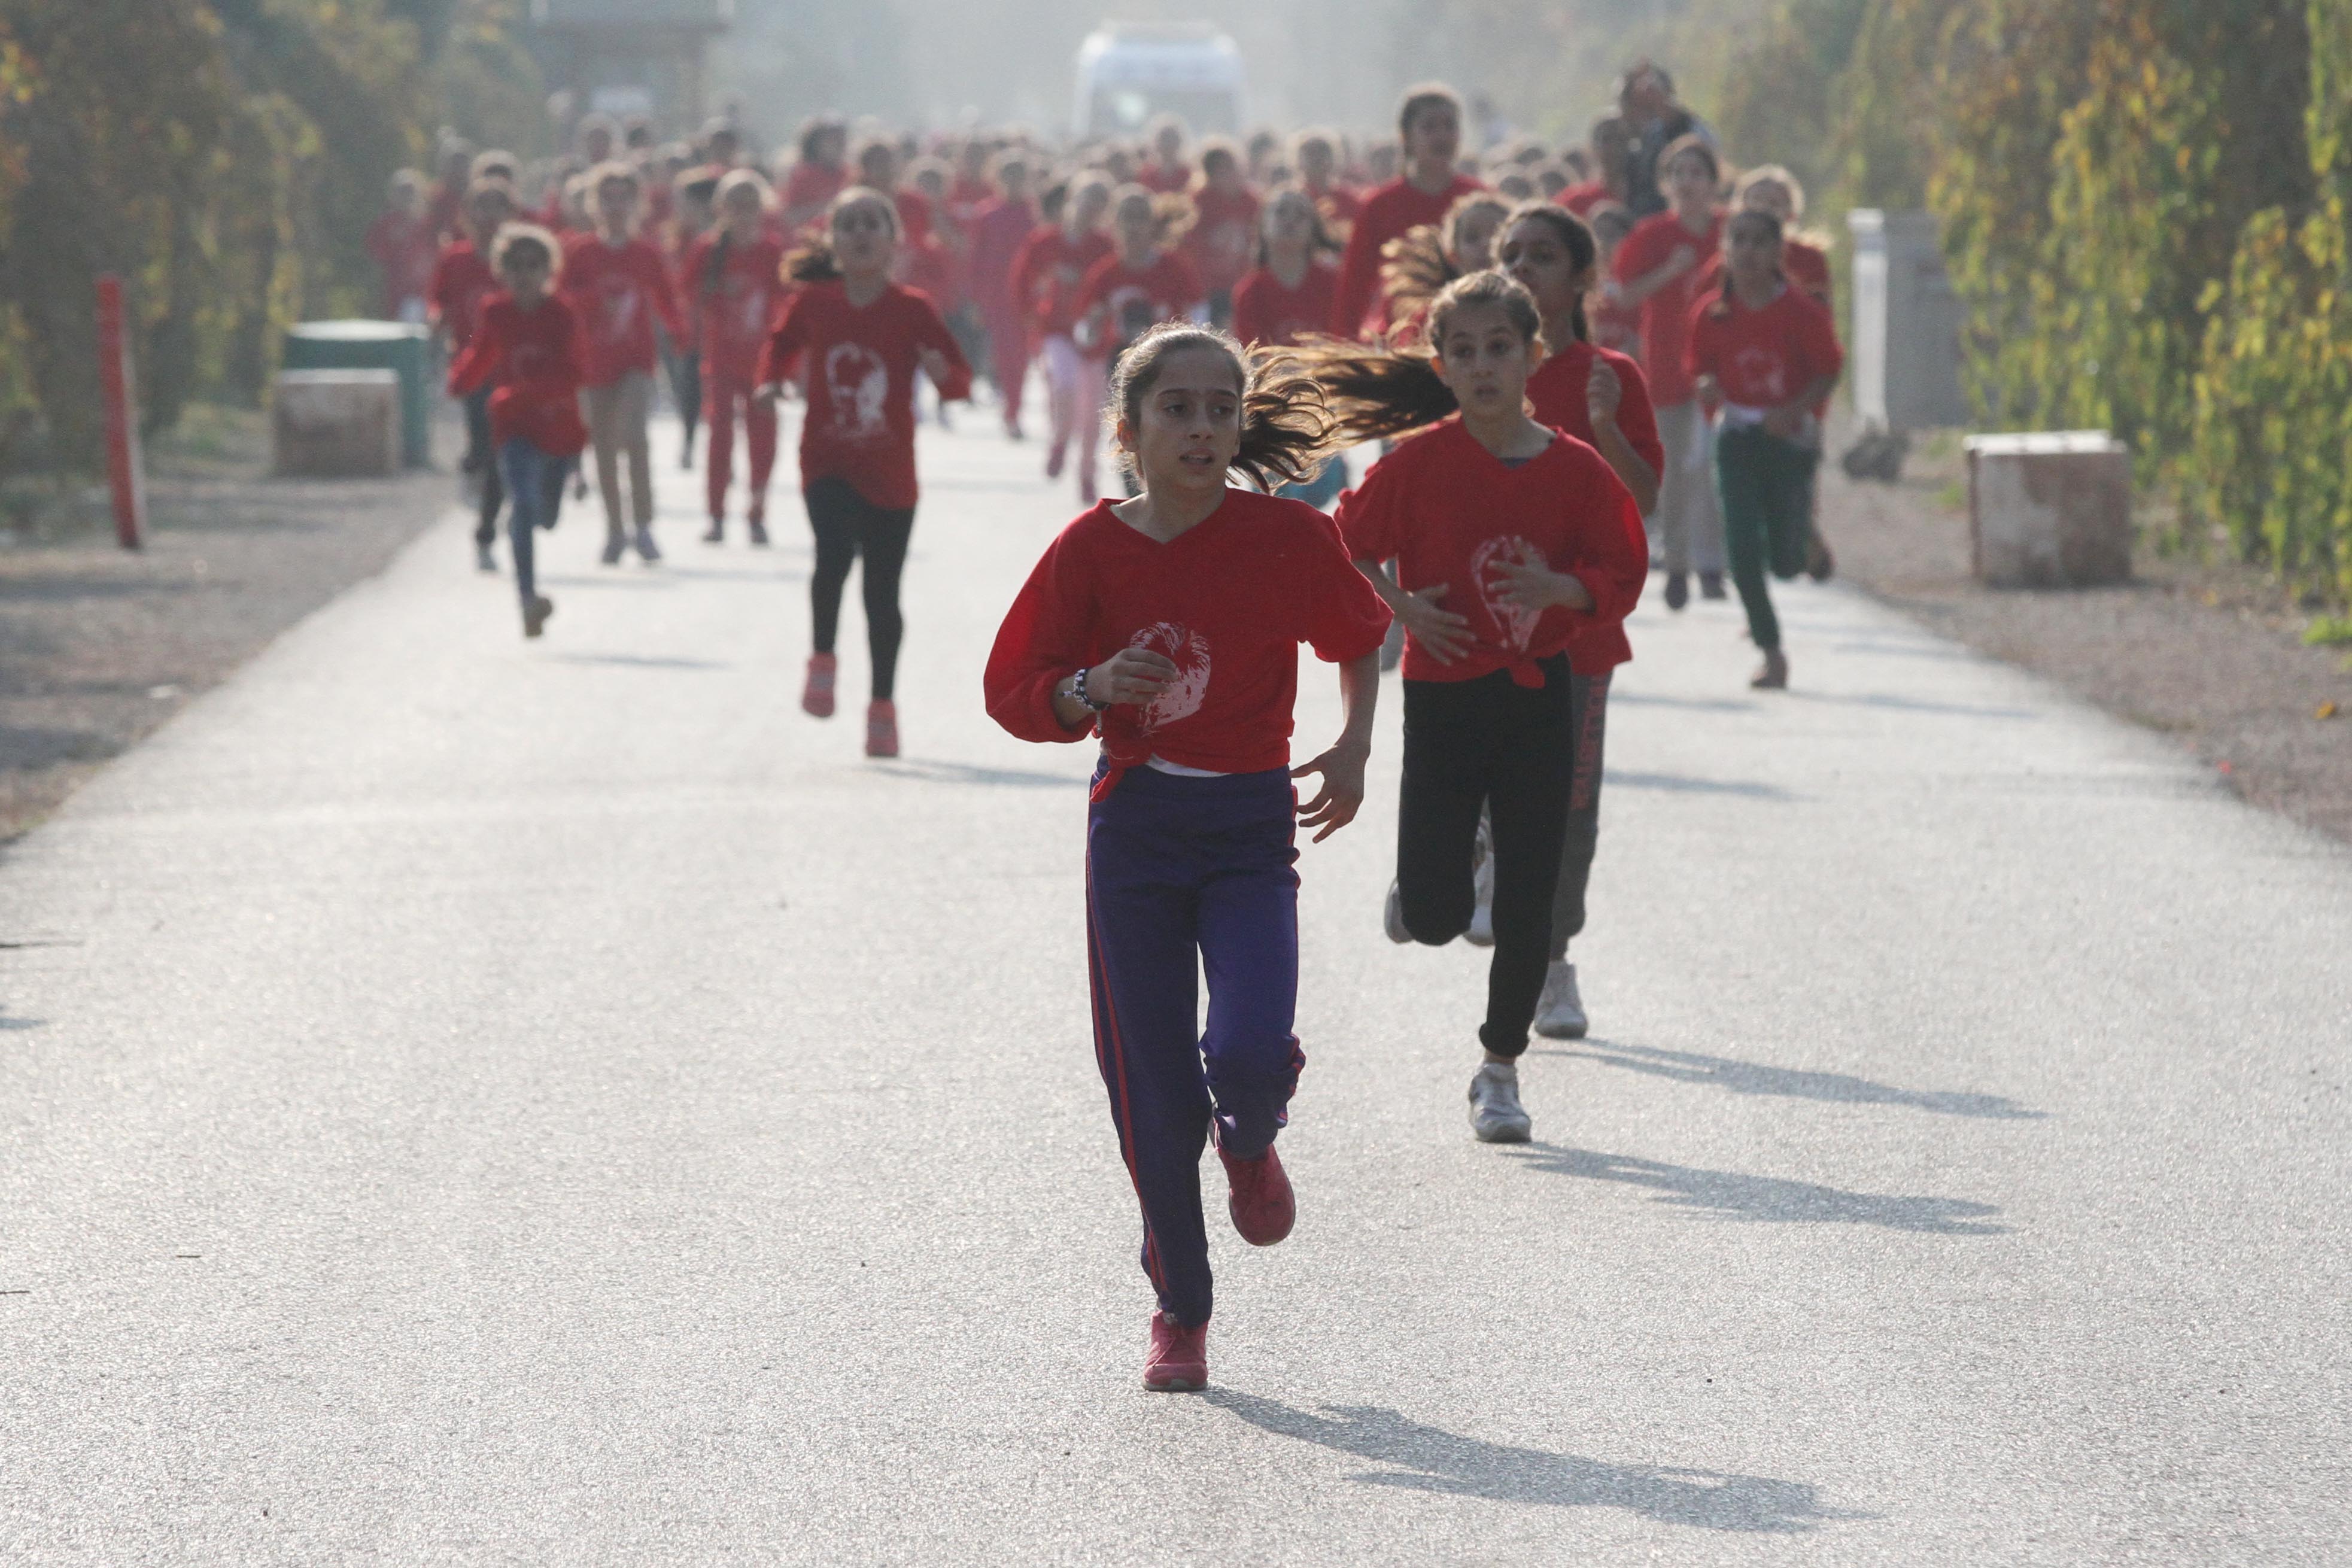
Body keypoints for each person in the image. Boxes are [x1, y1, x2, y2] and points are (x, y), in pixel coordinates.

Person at [981, 322, 1390, 1393]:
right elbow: (1014, 686)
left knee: (1249, 1049)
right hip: (1138, 833)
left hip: (1250, 828)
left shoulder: (1291, 539)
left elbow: (1359, 635)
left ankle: (1251, 1137)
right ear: (1129, 429)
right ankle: (1182, 1307)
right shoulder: (1091, 550)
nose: (1203, 428)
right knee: (1152, 1094)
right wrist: (1085, 690)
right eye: (1178, 408)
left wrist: (1352, 747)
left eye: (1221, 408)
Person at [1305, 271, 1646, 1142]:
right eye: (1463, 352)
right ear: (1441, 366)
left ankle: (1499, 1069)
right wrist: (1400, 605)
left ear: (1531, 356)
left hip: (1539, 696)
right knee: (1433, 916)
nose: (1483, 366)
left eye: (1500, 348)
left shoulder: (1574, 470)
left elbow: (1623, 566)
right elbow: (1341, 541)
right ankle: (1439, 872)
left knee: (1526, 901)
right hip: (1444, 691)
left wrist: (1561, 585)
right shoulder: (1419, 463)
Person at [1496, 201, 1663, 1040]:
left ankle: (1554, 962)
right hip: (1486, 627)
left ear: (1578, 278)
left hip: (1581, 634)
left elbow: (1645, 499)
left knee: (1568, 804)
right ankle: (1469, 861)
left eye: (1543, 256)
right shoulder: (1479, 369)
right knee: (1484, 781)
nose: (1525, 269)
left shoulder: (1611, 377)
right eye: (1511, 255)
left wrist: (1601, 427)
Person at [754, 187, 974, 759]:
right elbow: (781, 344)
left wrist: (940, 373)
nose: (859, 233)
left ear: (894, 240)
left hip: (891, 471)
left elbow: (960, 382)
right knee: (830, 554)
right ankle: (822, 657)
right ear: (832, 241)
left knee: (882, 593)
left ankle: (882, 705)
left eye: (872, 223)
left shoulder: (913, 308)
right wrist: (772, 380)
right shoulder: (815, 302)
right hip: (826, 459)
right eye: (847, 224)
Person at [1688, 209, 1844, 691]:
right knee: (1741, 547)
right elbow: (1699, 366)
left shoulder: (1802, 312)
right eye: (1740, 241)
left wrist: (1794, 410)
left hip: (1787, 440)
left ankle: (1805, 541)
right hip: (1736, 435)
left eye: (1760, 242)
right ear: (1725, 250)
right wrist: (1709, 385)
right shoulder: (1712, 312)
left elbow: (1829, 370)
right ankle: (1771, 652)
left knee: (1785, 562)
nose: (1749, 251)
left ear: (1779, 252)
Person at [447, 224, 587, 639]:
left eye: (533, 265)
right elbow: (482, 352)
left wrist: (533, 392)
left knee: (546, 515)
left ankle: (525, 534)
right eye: (515, 266)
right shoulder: (496, 312)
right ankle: (528, 600)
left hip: (557, 429)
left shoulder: (561, 316)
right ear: (502, 272)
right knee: (523, 503)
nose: (524, 274)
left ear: (549, 271)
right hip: (515, 427)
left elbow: (573, 371)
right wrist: (461, 380)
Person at [1608, 133, 1727, 608]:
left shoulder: (1729, 233)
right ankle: (1678, 564)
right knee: (1675, 470)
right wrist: (1668, 273)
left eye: (1696, 173)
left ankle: (1713, 564)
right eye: (1678, 174)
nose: (1687, 182)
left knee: (1710, 467)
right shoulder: (1653, 235)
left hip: (1719, 369)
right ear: (1665, 183)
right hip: (1664, 364)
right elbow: (1622, 296)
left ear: (1714, 182)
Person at [560, 161, 686, 566]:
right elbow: (562, 302)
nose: (616, 206)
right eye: (607, 198)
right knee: (604, 447)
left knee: (635, 437)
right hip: (592, 362)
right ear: (594, 204)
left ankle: (644, 526)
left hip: (635, 360)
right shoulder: (580, 253)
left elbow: (666, 298)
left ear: (637, 203)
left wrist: (680, 334)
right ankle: (615, 529)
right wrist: (595, 298)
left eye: (624, 198)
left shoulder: (644, 253)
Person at [1735, 164, 1839, 582]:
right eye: (1757, 201)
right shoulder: (1731, 260)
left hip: (1798, 383)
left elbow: (1820, 319)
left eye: (1776, 203)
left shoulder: (1809, 260)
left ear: (1791, 214)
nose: (1767, 209)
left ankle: (1804, 533)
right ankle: (1760, 566)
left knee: (1799, 469)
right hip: (1747, 381)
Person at [1072, 186, 1208, 492]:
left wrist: (1196, 341)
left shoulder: (1174, 266)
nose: (1134, 226)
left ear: (1153, 224)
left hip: (1171, 358)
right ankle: (1135, 488)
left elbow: (1200, 309)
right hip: (1123, 361)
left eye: (1141, 218)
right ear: (1114, 225)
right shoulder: (1104, 274)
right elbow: (1083, 331)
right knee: (1133, 428)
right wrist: (1092, 327)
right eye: (1127, 218)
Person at [1330, 85, 1485, 339]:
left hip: (1476, 338)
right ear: (1406, 137)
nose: (1442, 136)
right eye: (1429, 127)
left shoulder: (1479, 200)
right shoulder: (1380, 205)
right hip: (1401, 340)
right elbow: (1353, 288)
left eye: (1450, 125)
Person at [686, 170, 786, 546]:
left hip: (764, 364)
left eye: (751, 205)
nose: (744, 213)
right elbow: (690, 294)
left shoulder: (772, 251)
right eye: (736, 205)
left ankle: (757, 511)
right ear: (721, 209)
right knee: (720, 437)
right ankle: (716, 514)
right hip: (722, 360)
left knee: (764, 439)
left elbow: (788, 302)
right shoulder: (709, 251)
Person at [1231, 187, 1345, 505]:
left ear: (1314, 230)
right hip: (1272, 409)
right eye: (1281, 213)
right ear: (1263, 227)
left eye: (1300, 215)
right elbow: (1252, 358)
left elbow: (1342, 345)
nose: (1290, 221)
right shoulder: (1250, 292)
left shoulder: (1333, 282)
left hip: (1324, 406)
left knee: (1321, 497)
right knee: (1273, 501)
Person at [429, 179, 518, 573]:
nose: (489, 216)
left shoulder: (519, 259)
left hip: (514, 368)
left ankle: (487, 530)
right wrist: (436, 320)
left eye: (497, 207)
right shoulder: (456, 258)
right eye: (481, 207)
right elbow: (439, 298)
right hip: (472, 366)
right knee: (484, 444)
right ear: (468, 214)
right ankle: (472, 470)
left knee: (505, 450)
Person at [1013, 174, 1117, 505]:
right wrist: (1030, 312)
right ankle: (1059, 440)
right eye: (1085, 203)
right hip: (1056, 329)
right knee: (1064, 385)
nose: (1089, 212)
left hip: (1094, 335)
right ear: (1071, 201)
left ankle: (1087, 474)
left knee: (1092, 414)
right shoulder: (1045, 241)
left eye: (1098, 207)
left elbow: (1115, 282)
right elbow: (1021, 279)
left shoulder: (1105, 246)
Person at [969, 151, 1043, 440]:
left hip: (1026, 296)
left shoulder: (1033, 214)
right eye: (1008, 178)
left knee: (1022, 356)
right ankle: (1009, 408)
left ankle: (1014, 410)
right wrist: (976, 299)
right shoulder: (987, 213)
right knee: (1004, 354)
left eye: (1019, 178)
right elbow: (976, 257)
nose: (1013, 184)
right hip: (996, 295)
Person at [664, 169, 721, 471]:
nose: (678, 209)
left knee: (715, 395)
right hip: (688, 327)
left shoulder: (722, 240)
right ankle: (689, 441)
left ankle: (718, 450)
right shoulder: (681, 238)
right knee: (688, 390)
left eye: (684, 202)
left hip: (716, 331)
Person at [1615, 62, 1711, 217]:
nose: (1639, 108)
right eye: (1631, 101)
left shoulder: (1691, 131)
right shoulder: (1630, 148)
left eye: (1648, 99)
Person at [1183, 139, 1260, 328]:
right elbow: (1189, 244)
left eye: (1231, 167)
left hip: (1243, 281)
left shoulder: (1251, 201)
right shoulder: (1200, 202)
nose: (1228, 175)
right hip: (1209, 287)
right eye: (1220, 170)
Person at [366, 171, 439, 324]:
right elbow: (376, 253)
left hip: (425, 291)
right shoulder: (387, 223)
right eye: (402, 191)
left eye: (411, 190)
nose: (408, 196)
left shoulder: (429, 222)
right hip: (397, 292)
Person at [782, 118, 850, 234]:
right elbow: (789, 217)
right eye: (833, 140)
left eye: (841, 140)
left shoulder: (850, 174)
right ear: (816, 144)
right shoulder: (803, 175)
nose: (839, 145)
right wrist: (829, 206)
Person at [1555, 116, 1631, 216]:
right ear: (1592, 148)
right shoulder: (1576, 201)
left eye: (1622, 139)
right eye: (1607, 140)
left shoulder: (1650, 196)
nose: (1615, 147)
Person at [1137, 116, 1192, 195]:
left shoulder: (1187, 174)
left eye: (1172, 139)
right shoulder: (1147, 174)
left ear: (1179, 142)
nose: (1168, 144)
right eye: (1165, 139)